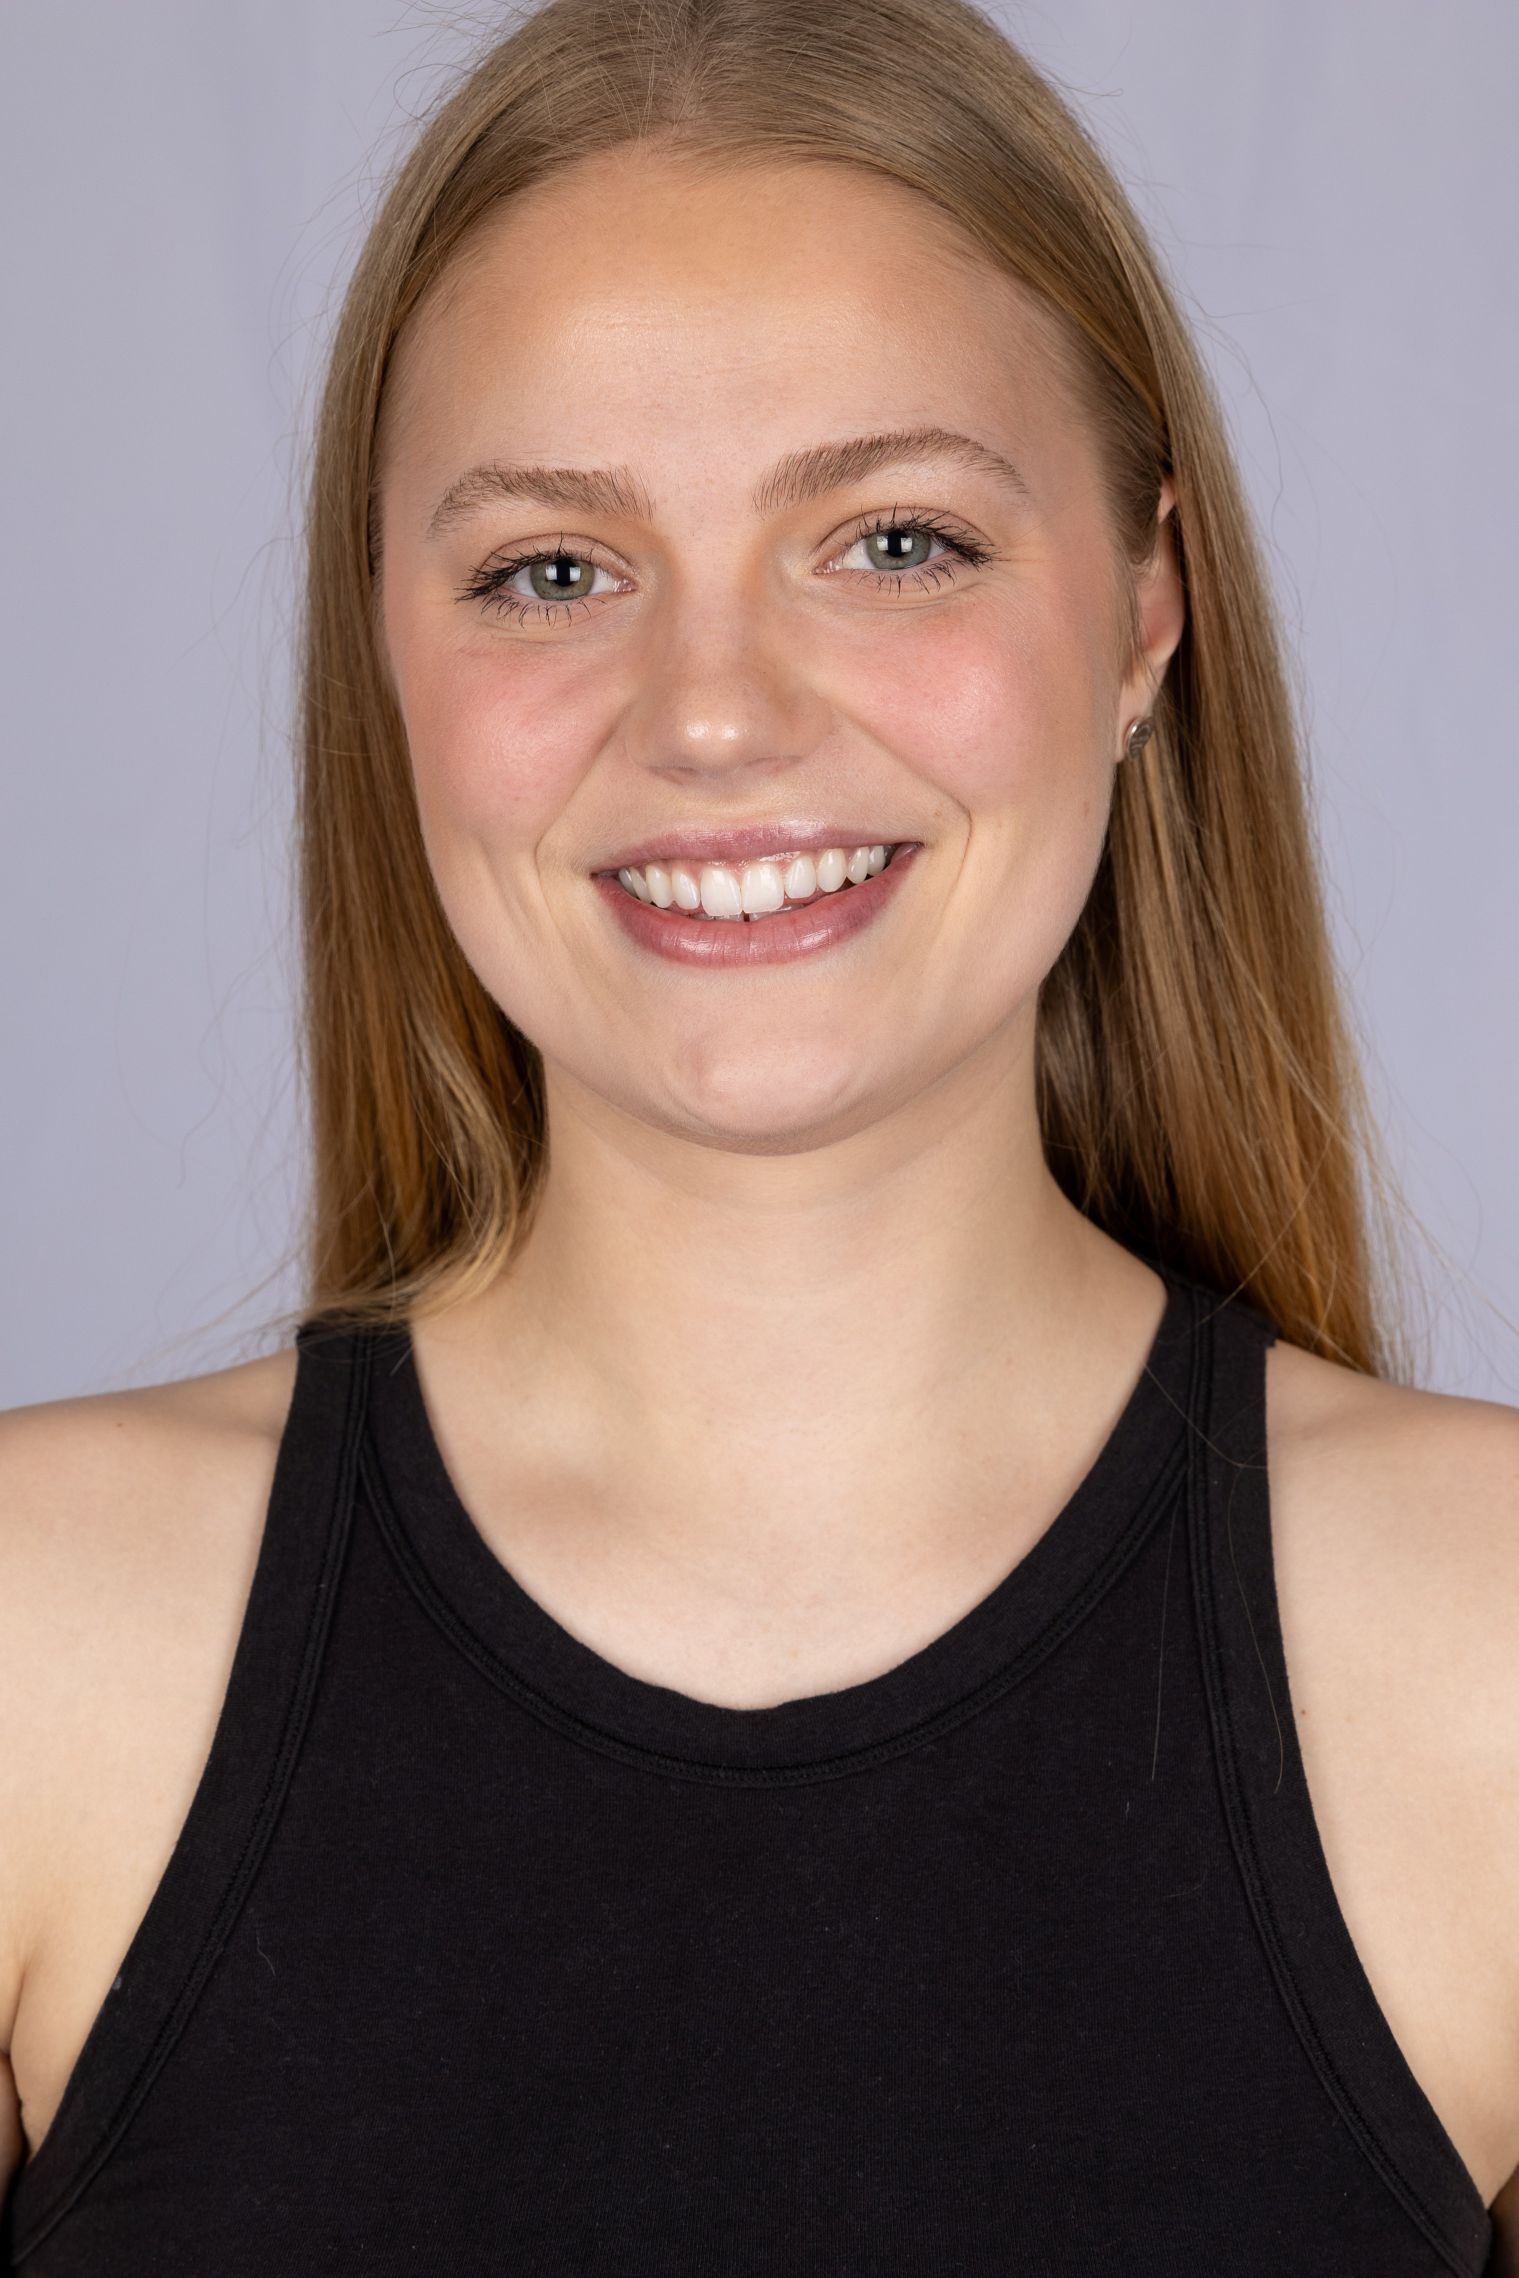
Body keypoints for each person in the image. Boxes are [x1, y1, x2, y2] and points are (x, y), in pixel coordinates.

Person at [2, 0, 1515, 2267]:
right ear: (382, 653)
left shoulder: (1496, 1658)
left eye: (894, 540)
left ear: (1143, 610)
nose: (712, 713)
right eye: (550, 569)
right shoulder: (32, 1648)